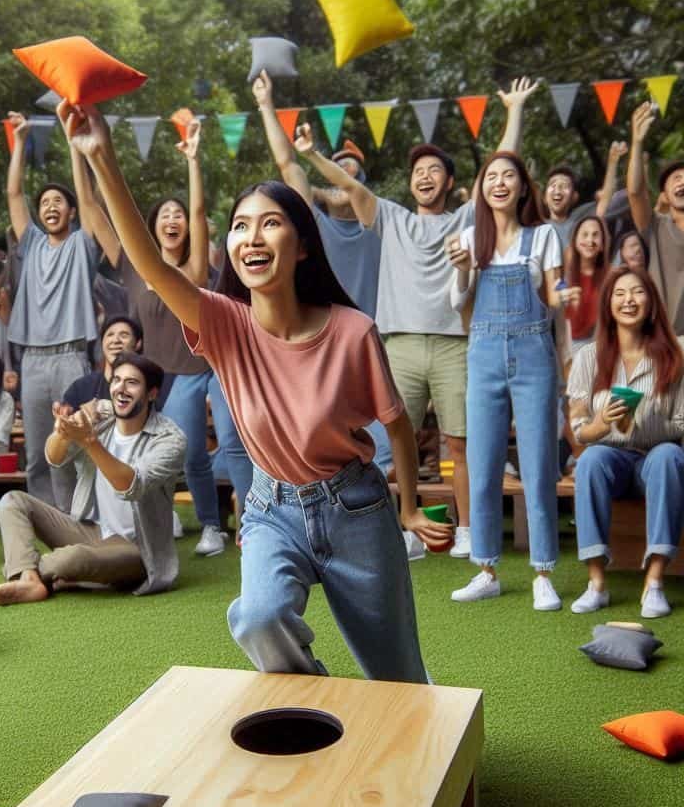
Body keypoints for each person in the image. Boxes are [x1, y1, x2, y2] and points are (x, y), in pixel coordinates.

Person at [61, 101, 450, 679]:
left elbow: (395, 423)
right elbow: (152, 266)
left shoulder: (352, 332)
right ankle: (318, 707)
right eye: (241, 225)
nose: (251, 236)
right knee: (258, 617)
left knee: (398, 676)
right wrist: (102, 157)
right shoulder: (223, 324)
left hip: (356, 509)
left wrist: (410, 507)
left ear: (303, 245)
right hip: (272, 507)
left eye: (270, 222)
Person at [296, 78, 540, 560]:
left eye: (434, 171)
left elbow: (501, 167)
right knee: (390, 443)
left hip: (453, 344)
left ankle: (468, 531)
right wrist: (310, 155)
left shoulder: (467, 219)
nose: (425, 177)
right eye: (418, 172)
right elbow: (346, 185)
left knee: (460, 442)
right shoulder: (389, 216)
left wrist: (513, 110)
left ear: (449, 182)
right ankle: (404, 527)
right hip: (400, 345)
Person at [95, 118, 252, 556]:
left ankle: (256, 524)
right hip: (174, 375)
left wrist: (194, 160)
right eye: (165, 214)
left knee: (235, 440)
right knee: (189, 453)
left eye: (178, 214)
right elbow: (95, 213)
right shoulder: (137, 266)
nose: (173, 219)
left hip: (217, 363)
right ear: (152, 226)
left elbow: (201, 215)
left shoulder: (194, 269)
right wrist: (85, 150)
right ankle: (210, 526)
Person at [252, 72, 396, 484]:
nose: (341, 177)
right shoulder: (312, 224)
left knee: (382, 441)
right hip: (320, 343)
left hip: (370, 343)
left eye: (349, 173)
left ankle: (390, 521)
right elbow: (287, 164)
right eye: (334, 169)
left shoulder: (377, 226)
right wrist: (266, 103)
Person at [447, 152, 564, 609]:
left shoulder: (544, 236)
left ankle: (543, 572)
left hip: (535, 353)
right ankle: (486, 569)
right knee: (483, 462)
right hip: (484, 355)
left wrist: (566, 295)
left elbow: (554, 296)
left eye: (508, 175)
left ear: (522, 186)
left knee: (537, 466)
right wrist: (461, 265)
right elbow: (458, 301)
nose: (499, 183)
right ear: (482, 188)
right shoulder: (471, 237)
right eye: (491, 176)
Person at [0, 351, 187, 604]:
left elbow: (131, 486)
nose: (121, 388)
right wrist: (63, 432)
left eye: (132, 383)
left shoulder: (170, 440)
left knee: (73, 558)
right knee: (12, 501)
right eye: (116, 380)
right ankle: (31, 579)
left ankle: (29, 573)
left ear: (152, 394)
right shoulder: (101, 413)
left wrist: (89, 441)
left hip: (136, 548)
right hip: (92, 530)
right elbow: (54, 458)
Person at [568, 268, 684, 617]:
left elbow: (681, 423)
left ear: (651, 304)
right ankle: (597, 582)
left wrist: (646, 417)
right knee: (590, 459)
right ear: (609, 303)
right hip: (613, 458)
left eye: (637, 292)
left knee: (668, 456)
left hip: (655, 458)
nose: (629, 300)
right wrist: (601, 424)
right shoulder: (590, 356)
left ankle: (654, 582)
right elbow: (578, 430)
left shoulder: (674, 355)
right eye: (620, 293)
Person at [5, 111, 104, 513]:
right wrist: (19, 141)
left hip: (70, 357)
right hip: (32, 361)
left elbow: (88, 198)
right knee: (37, 454)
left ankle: (80, 524)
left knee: (75, 448)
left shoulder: (82, 245)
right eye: (44, 202)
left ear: (71, 212)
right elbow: (14, 195)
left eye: (57, 202)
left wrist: (73, 144)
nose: (49, 207)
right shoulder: (30, 244)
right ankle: (48, 527)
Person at [627, 102, 684, 335]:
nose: (682, 182)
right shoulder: (656, 227)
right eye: (676, 179)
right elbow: (635, 192)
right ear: (665, 196)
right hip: (665, 341)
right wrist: (637, 143)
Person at [543, 141, 623, 250]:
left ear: (574, 197)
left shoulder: (581, 219)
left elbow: (605, 200)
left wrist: (612, 162)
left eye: (564, 185)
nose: (558, 190)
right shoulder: (535, 227)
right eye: (553, 185)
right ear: (544, 198)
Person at [61, 315, 142, 411]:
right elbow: (65, 420)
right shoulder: (81, 388)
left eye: (124, 335)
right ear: (102, 343)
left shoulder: (150, 386)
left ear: (138, 344)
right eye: (110, 335)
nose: (116, 340)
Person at [560, 215, 611, 356]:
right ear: (575, 240)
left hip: (598, 348)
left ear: (602, 244)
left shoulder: (611, 277)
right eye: (585, 234)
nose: (590, 240)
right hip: (566, 347)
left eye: (595, 235)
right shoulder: (562, 275)